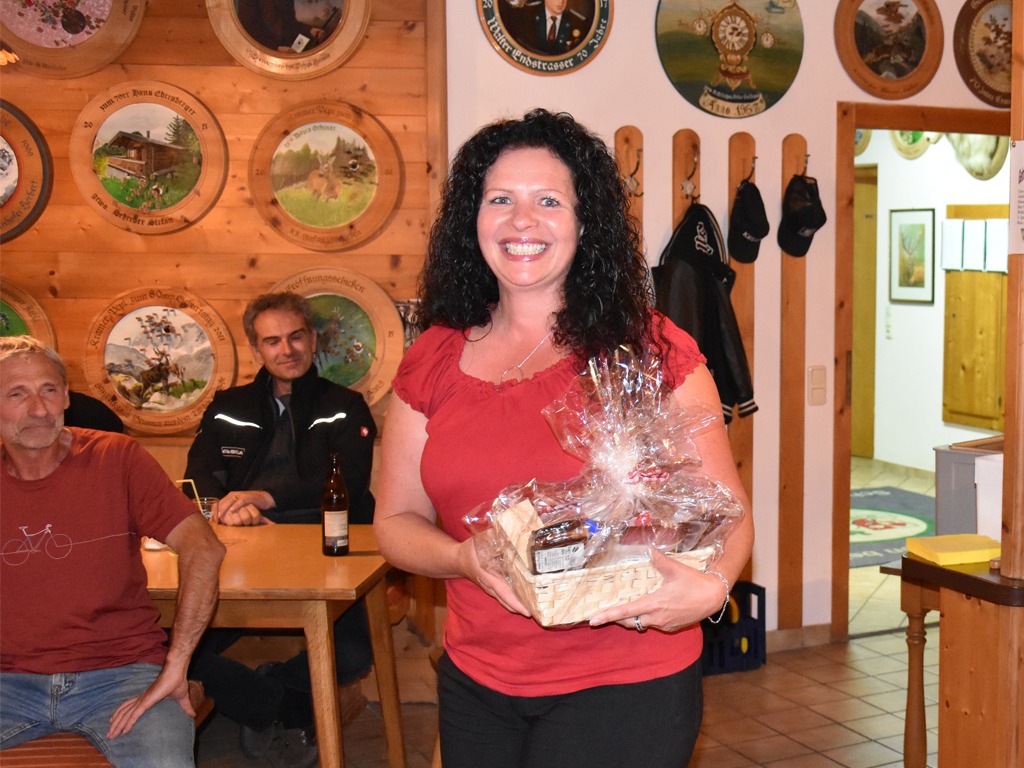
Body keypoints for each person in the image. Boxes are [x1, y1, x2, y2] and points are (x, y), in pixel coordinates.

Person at [373, 109, 755, 768]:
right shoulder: (432, 357)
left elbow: (729, 512)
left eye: (548, 201)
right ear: (472, 220)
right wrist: (462, 558)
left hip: (626, 680)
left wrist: (715, 585)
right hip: (477, 679)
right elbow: (396, 521)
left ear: (586, 223)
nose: (522, 221)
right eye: (501, 200)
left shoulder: (650, 350)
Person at [0, 336, 225, 767]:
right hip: (8, 682)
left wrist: (177, 664)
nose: (39, 409)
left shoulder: (116, 458)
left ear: (67, 396)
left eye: (49, 390)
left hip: (122, 676)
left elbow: (204, 548)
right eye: (17, 394)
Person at [184, 291, 376, 768]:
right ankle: (280, 706)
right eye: (272, 341)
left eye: (295, 337)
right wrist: (223, 508)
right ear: (256, 349)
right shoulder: (227, 405)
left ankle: (276, 694)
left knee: (352, 655)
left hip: (324, 551)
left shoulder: (346, 406)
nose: (286, 350)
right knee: (174, 648)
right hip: (239, 553)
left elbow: (349, 482)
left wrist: (265, 498)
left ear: (312, 340)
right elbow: (199, 476)